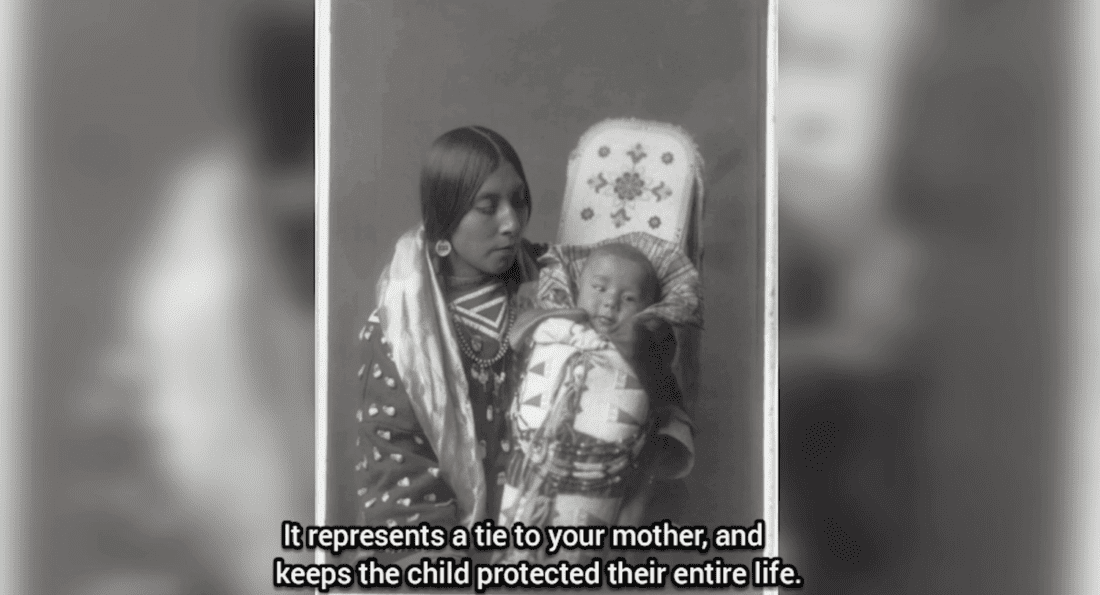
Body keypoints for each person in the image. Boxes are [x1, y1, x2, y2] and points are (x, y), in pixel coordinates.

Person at [346, 127, 696, 563]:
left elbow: (649, 391)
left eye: (519, 200)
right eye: (487, 207)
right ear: (444, 217)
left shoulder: (567, 284)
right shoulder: (399, 334)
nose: (511, 223)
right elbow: (399, 485)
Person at [494, 242, 698, 564]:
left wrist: (640, 493)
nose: (610, 302)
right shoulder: (552, 331)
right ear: (577, 289)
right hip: (528, 471)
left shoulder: (647, 360)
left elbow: (668, 420)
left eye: (628, 298)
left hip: (598, 486)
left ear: (648, 308)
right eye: (599, 288)